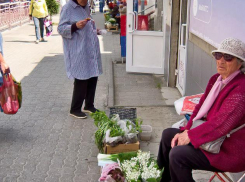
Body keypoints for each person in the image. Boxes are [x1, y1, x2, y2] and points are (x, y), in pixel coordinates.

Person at [157, 38, 245, 182]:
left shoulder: (241, 89)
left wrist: (190, 136)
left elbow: (221, 124)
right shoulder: (216, 79)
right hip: (212, 138)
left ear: (240, 62)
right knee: (168, 135)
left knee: (178, 155)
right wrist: (187, 129)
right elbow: (199, 109)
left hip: (228, 149)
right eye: (218, 56)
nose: (221, 61)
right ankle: (163, 179)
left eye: (228, 58)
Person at [58, 0, 103, 119]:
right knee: (82, 78)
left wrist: (94, 30)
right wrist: (75, 26)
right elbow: (61, 29)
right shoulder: (68, 8)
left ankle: (89, 105)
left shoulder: (87, 6)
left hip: (90, 46)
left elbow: (88, 21)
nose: (85, 1)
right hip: (78, 48)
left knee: (93, 76)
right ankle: (75, 109)